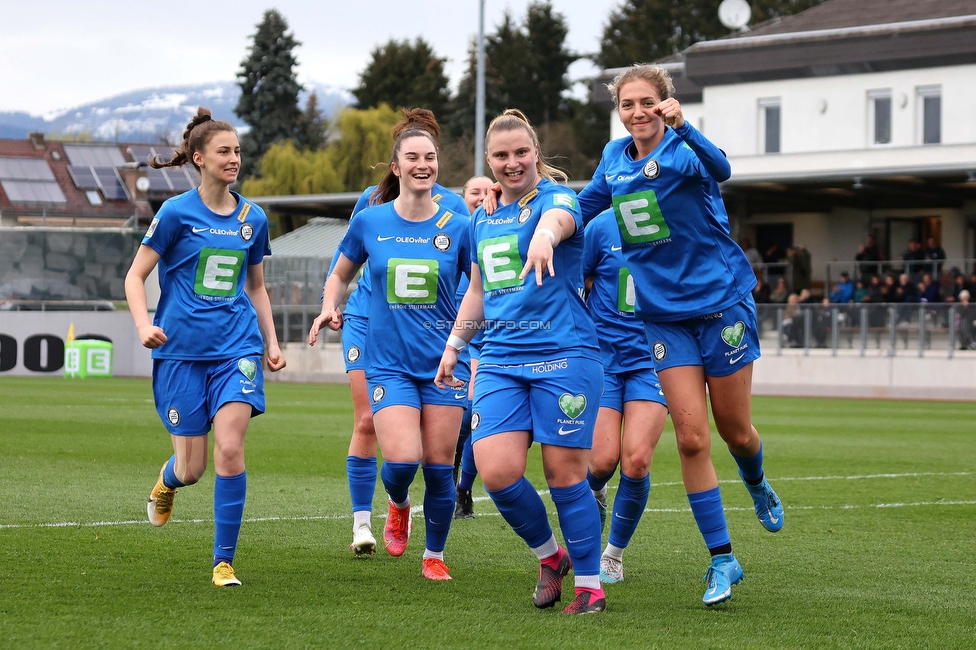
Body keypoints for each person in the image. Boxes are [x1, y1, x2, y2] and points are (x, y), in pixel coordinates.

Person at [574, 64, 785, 606]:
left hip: (720, 304)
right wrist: (536, 221)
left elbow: (722, 168)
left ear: (665, 103)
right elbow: (585, 207)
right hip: (663, 315)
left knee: (735, 432)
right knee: (691, 438)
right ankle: (723, 559)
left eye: (648, 102)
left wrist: (685, 127)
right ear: (618, 111)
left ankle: (757, 482)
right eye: (627, 104)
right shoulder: (613, 161)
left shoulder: (685, 150)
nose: (638, 112)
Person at [435, 109, 607, 614]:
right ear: (488, 160)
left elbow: (561, 219)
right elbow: (478, 290)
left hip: (564, 355)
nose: (513, 164)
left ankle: (591, 586)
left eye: (521, 153)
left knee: (563, 474)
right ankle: (550, 557)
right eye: (502, 156)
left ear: (537, 154)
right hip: (501, 358)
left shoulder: (556, 199)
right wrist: (453, 347)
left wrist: (545, 235)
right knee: (497, 473)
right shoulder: (480, 218)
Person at [124, 108, 285, 587]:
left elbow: (256, 288)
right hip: (180, 354)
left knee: (230, 450)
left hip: (237, 347)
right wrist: (142, 323)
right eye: (224, 152)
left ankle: (223, 562)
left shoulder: (252, 218)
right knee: (192, 469)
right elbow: (135, 276)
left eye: (237, 151)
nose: (234, 159)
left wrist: (271, 342)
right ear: (199, 158)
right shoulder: (175, 213)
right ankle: (167, 480)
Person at [310, 126, 470, 581]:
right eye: (414, 157)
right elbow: (340, 274)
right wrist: (329, 306)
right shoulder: (371, 221)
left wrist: (471, 346)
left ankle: (433, 555)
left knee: (440, 469)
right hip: (388, 363)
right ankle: (398, 505)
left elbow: (478, 290)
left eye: (432, 157)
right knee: (400, 461)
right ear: (396, 167)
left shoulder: (459, 226)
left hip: (443, 364)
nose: (424, 164)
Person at [581, 207, 669, 584]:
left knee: (636, 461)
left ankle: (613, 555)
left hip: (656, 358)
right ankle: (595, 492)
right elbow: (575, 284)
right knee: (601, 462)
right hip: (602, 359)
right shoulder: (600, 227)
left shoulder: (677, 222)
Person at [453, 175, 494, 520]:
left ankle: (463, 485)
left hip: (493, 341)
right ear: (462, 198)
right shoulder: (451, 238)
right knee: (467, 414)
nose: (482, 197)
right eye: (474, 192)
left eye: (487, 190)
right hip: (462, 345)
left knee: (475, 418)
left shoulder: (499, 233)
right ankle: (457, 483)